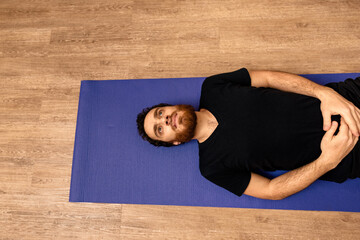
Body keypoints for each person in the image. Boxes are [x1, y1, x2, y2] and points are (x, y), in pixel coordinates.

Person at [136, 68, 360, 200]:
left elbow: (270, 78)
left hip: (346, 98)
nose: (163, 119)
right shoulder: (212, 167)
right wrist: (327, 162)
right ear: (173, 142)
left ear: (170, 107)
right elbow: (271, 190)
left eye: (160, 112)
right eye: (159, 128)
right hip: (348, 154)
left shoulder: (213, 86)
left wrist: (325, 93)